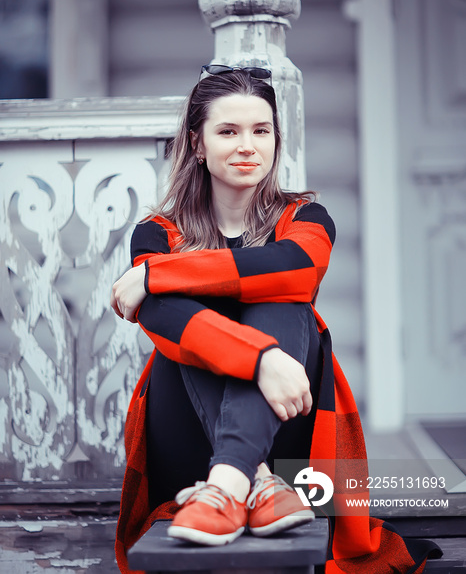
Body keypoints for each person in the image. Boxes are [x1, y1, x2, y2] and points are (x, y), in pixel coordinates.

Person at [111, 66, 441, 574]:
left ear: (275, 139)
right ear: (197, 144)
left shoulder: (303, 218)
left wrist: (160, 275)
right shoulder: (157, 232)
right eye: (228, 131)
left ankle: (227, 486)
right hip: (188, 432)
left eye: (261, 131)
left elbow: (300, 270)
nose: (248, 146)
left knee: (285, 299)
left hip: (290, 426)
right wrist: (261, 359)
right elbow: (160, 316)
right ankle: (252, 479)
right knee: (196, 323)